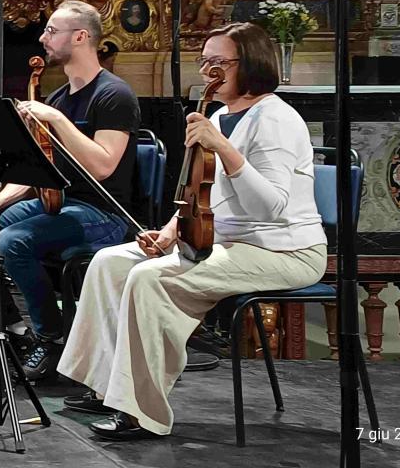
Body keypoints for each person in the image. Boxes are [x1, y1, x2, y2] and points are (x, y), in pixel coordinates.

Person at [58, 22, 327, 441]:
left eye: (220, 63)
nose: (209, 72)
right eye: (205, 62)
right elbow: (205, 194)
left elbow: (270, 207)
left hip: (282, 250)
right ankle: (106, 386)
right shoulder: (221, 115)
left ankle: (141, 412)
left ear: (251, 64)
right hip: (226, 241)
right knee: (110, 262)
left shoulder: (275, 120)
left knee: (151, 279)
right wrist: (168, 232)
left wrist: (223, 148)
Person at [0, 0, 136, 381]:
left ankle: (52, 339)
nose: (43, 38)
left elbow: (103, 165)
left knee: (14, 241)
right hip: (58, 205)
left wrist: (57, 120)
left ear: (81, 37)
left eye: (52, 31)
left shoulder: (113, 95)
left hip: (102, 214)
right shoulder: (61, 96)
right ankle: (13, 331)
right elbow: (37, 173)